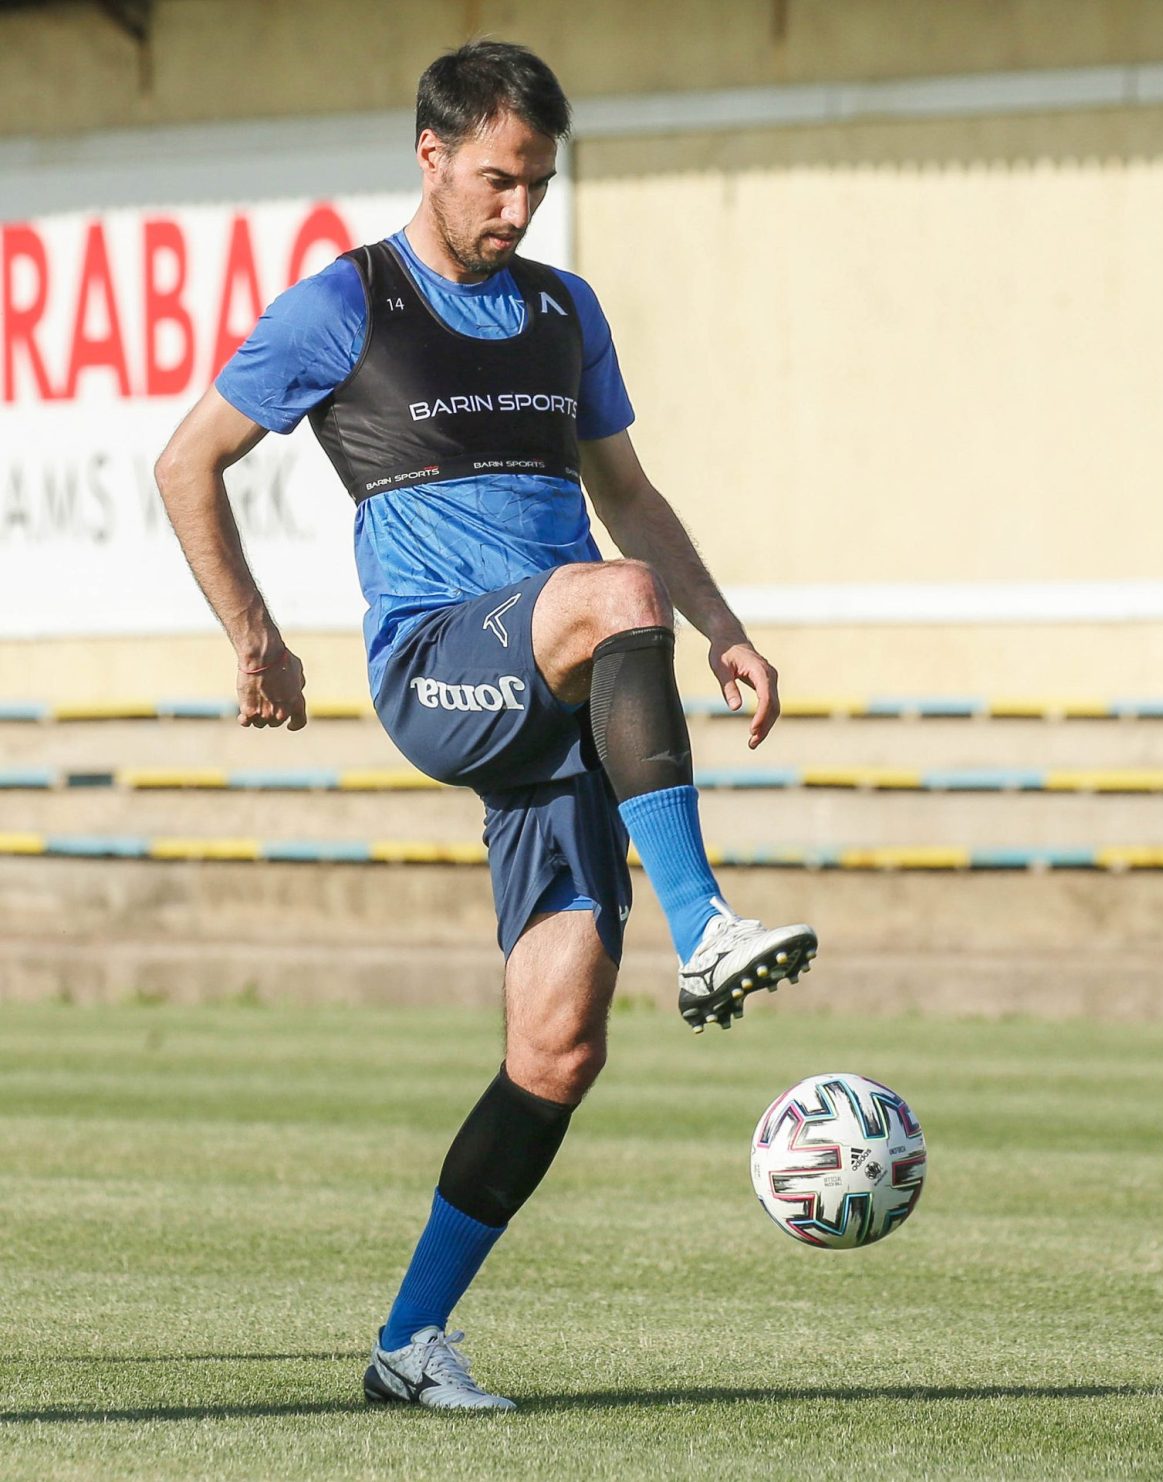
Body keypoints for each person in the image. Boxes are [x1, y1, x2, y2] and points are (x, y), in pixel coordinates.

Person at [156, 39, 817, 1413]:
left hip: (561, 693)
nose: (519, 209)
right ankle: (706, 926)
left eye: (539, 185)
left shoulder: (565, 311)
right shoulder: (348, 302)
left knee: (557, 1048)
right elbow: (187, 461)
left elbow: (627, 494)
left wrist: (725, 628)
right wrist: (253, 635)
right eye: (499, 180)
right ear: (434, 156)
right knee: (611, 595)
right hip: (439, 665)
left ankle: (410, 1345)